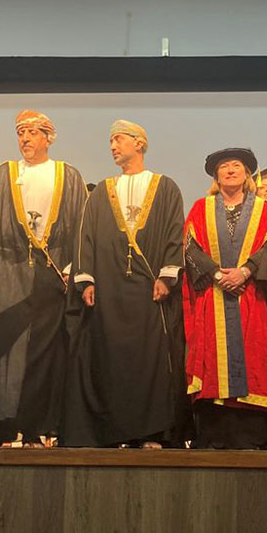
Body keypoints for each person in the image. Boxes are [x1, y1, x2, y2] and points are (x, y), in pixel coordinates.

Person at [0, 110, 87, 448]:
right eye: (21, 133)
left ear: (49, 137)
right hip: (6, 274)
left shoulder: (68, 176)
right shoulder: (1, 175)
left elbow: (80, 229)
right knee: (4, 350)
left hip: (51, 278)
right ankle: (0, 427)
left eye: (33, 132)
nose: (25, 139)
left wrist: (71, 269)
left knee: (43, 354)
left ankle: (36, 428)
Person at [65, 120, 187, 448]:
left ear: (139, 143)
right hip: (110, 290)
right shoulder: (102, 191)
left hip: (150, 291)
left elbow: (176, 232)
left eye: (118, 140)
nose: (113, 146)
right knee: (111, 358)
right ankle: (115, 431)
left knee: (149, 360)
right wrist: (86, 279)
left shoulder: (166, 187)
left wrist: (166, 274)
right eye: (111, 141)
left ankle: (150, 432)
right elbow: (86, 236)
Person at [183, 147, 267, 449]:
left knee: (254, 359)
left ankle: (250, 436)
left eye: (236, 166)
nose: (229, 170)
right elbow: (190, 246)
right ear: (216, 175)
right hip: (213, 296)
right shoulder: (201, 207)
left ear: (247, 173)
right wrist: (216, 275)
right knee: (211, 360)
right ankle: (212, 436)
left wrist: (246, 271)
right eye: (223, 167)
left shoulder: (263, 209)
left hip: (251, 296)